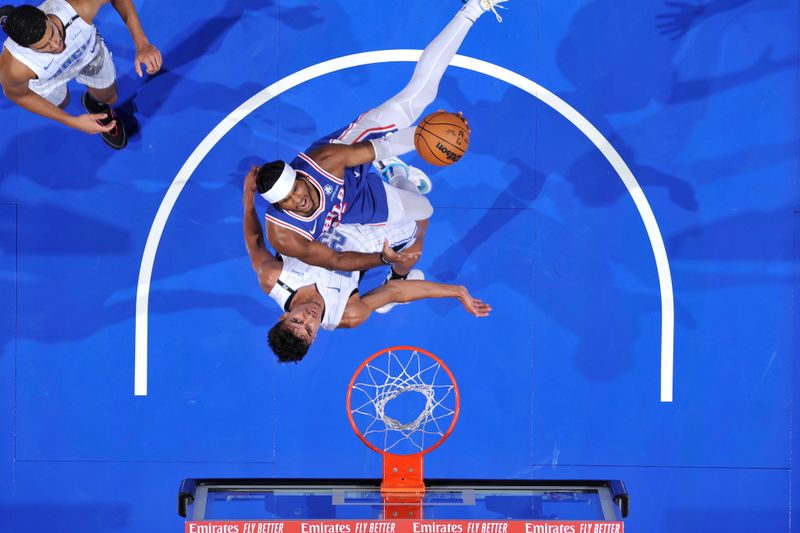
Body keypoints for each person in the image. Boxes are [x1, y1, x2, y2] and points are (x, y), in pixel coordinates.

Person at [253, 0, 508, 272]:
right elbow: (335, 260)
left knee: (417, 97)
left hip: (353, 151)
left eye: (295, 189)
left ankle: (474, 7)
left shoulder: (326, 160)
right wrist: (384, 259)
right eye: (287, 201)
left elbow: (382, 146)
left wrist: (436, 135)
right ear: (278, 206)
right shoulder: (284, 236)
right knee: (424, 210)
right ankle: (397, 174)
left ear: (300, 176)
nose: (296, 199)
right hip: (352, 204)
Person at [244, 166, 491, 363]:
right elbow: (396, 293)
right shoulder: (348, 314)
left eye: (296, 321)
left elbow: (255, 242)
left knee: (336, 167)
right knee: (420, 218)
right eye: (309, 330)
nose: (307, 319)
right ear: (314, 339)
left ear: (282, 316)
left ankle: (385, 169)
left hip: (320, 217)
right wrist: (457, 291)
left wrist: (248, 198)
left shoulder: (273, 278)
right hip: (367, 243)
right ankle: (398, 175)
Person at [0, 0, 163, 149]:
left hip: (86, 54)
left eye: (52, 34)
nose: (56, 45)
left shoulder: (78, 7)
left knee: (109, 98)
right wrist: (72, 121)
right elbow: (17, 95)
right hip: (47, 78)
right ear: (25, 47)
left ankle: (95, 105)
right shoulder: (14, 67)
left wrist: (142, 44)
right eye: (44, 47)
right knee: (62, 103)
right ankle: (9, 21)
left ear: (45, 15)